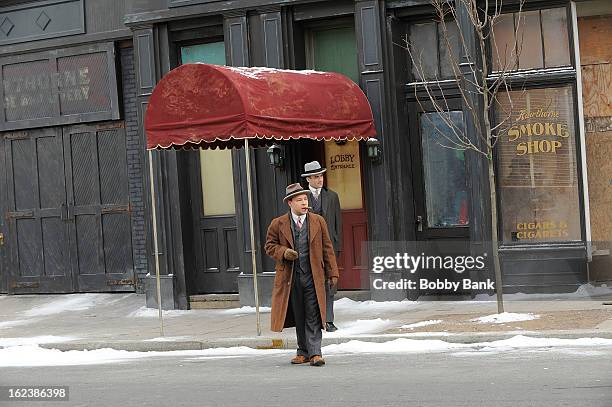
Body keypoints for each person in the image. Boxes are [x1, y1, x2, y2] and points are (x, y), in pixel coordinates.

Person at [265, 183, 339, 366]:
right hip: (291, 278)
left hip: (314, 276)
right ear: (290, 203)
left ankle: (315, 353)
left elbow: (327, 248)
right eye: (300, 200)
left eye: (305, 199)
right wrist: (283, 252)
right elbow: (269, 246)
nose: (304, 203)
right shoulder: (278, 223)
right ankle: (302, 351)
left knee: (313, 313)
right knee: (299, 314)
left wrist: (332, 272)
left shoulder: (318, 221)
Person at [302, 161, 342, 332]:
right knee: (310, 284)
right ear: (308, 179)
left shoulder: (332, 196)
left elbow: (337, 224)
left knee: (329, 283)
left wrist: (337, 247)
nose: (320, 179)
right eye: (316, 177)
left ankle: (329, 320)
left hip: (328, 246)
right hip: (308, 247)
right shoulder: (302, 198)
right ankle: (313, 319)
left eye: (321, 176)